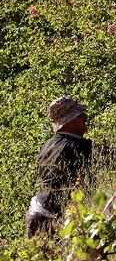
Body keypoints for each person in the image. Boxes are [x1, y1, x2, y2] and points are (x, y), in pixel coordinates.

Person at [26, 96, 94, 237]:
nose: (85, 117)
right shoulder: (79, 147)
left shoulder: (47, 146)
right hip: (59, 225)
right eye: (80, 115)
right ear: (70, 121)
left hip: (36, 216)